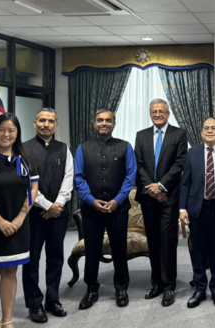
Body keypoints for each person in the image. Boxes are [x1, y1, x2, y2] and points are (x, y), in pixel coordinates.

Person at [0, 113, 39, 328]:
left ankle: (7, 320)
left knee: (11, 271)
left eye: (11, 130)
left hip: (19, 225)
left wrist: (21, 217)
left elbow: (33, 189)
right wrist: (0, 221)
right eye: (2, 129)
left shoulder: (26, 159)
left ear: (17, 133)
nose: (6, 134)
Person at [74, 109, 136, 310]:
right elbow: (79, 177)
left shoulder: (125, 147)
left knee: (119, 249)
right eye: (100, 120)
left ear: (114, 124)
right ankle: (91, 289)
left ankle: (121, 288)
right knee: (92, 250)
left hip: (118, 209)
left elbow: (130, 177)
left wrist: (117, 200)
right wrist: (91, 201)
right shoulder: (83, 148)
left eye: (108, 120)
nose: (104, 123)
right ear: (94, 123)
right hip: (91, 209)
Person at [180, 118, 215, 309]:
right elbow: (186, 183)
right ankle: (199, 288)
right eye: (206, 128)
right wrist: (182, 209)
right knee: (198, 250)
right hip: (197, 208)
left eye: (214, 128)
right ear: (202, 132)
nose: (210, 131)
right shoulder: (193, 153)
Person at [134, 99, 188, 307]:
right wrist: (151, 188)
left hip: (169, 197)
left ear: (168, 113)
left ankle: (168, 286)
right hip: (149, 198)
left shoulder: (179, 134)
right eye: (154, 112)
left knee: (167, 242)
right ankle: (156, 282)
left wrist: (161, 186)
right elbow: (139, 165)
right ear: (150, 114)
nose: (157, 114)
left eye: (161, 111)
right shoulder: (141, 135)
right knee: (154, 242)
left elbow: (180, 162)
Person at [22, 108, 73, 322]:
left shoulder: (64, 148)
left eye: (50, 121)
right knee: (31, 260)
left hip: (58, 214)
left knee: (55, 257)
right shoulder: (23, 149)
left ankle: (53, 300)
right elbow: (24, 183)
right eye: (42, 120)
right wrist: (46, 206)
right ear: (35, 123)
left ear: (56, 125)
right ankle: (34, 304)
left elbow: (68, 179)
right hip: (33, 215)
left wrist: (58, 205)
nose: (46, 124)